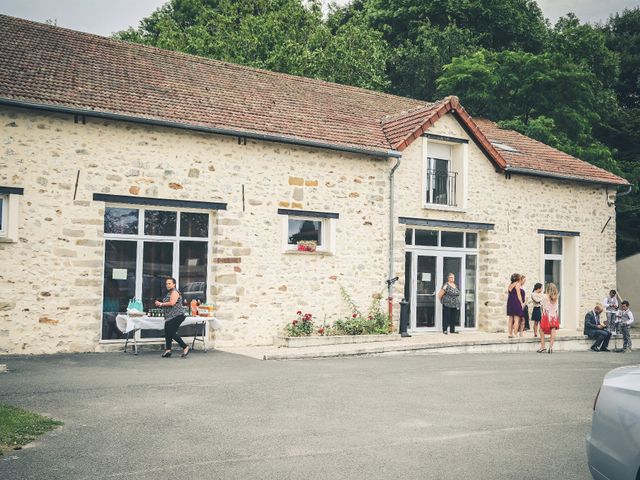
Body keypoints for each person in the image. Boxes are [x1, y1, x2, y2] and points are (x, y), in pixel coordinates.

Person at [156, 277, 190, 358]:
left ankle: (185, 347)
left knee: (171, 333)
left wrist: (160, 304)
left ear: (174, 284)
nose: (167, 285)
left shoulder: (174, 292)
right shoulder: (169, 293)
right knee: (167, 333)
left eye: (169, 283)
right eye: (166, 283)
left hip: (177, 315)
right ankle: (168, 350)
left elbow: (172, 303)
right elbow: (167, 303)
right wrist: (159, 303)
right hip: (169, 317)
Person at [538, 283, 560, 353]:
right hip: (554, 316)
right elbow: (556, 308)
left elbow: (541, 304)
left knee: (541, 330)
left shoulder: (545, 296)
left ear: (548, 289)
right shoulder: (556, 297)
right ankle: (550, 347)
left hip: (546, 315)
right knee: (553, 330)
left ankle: (543, 346)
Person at [506, 273, 524, 338]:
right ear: (518, 278)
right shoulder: (517, 284)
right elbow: (519, 294)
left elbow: (509, 293)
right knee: (517, 319)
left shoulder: (510, 285)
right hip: (516, 301)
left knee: (510, 319)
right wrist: (521, 303)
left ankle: (510, 334)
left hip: (510, 301)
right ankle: (515, 333)